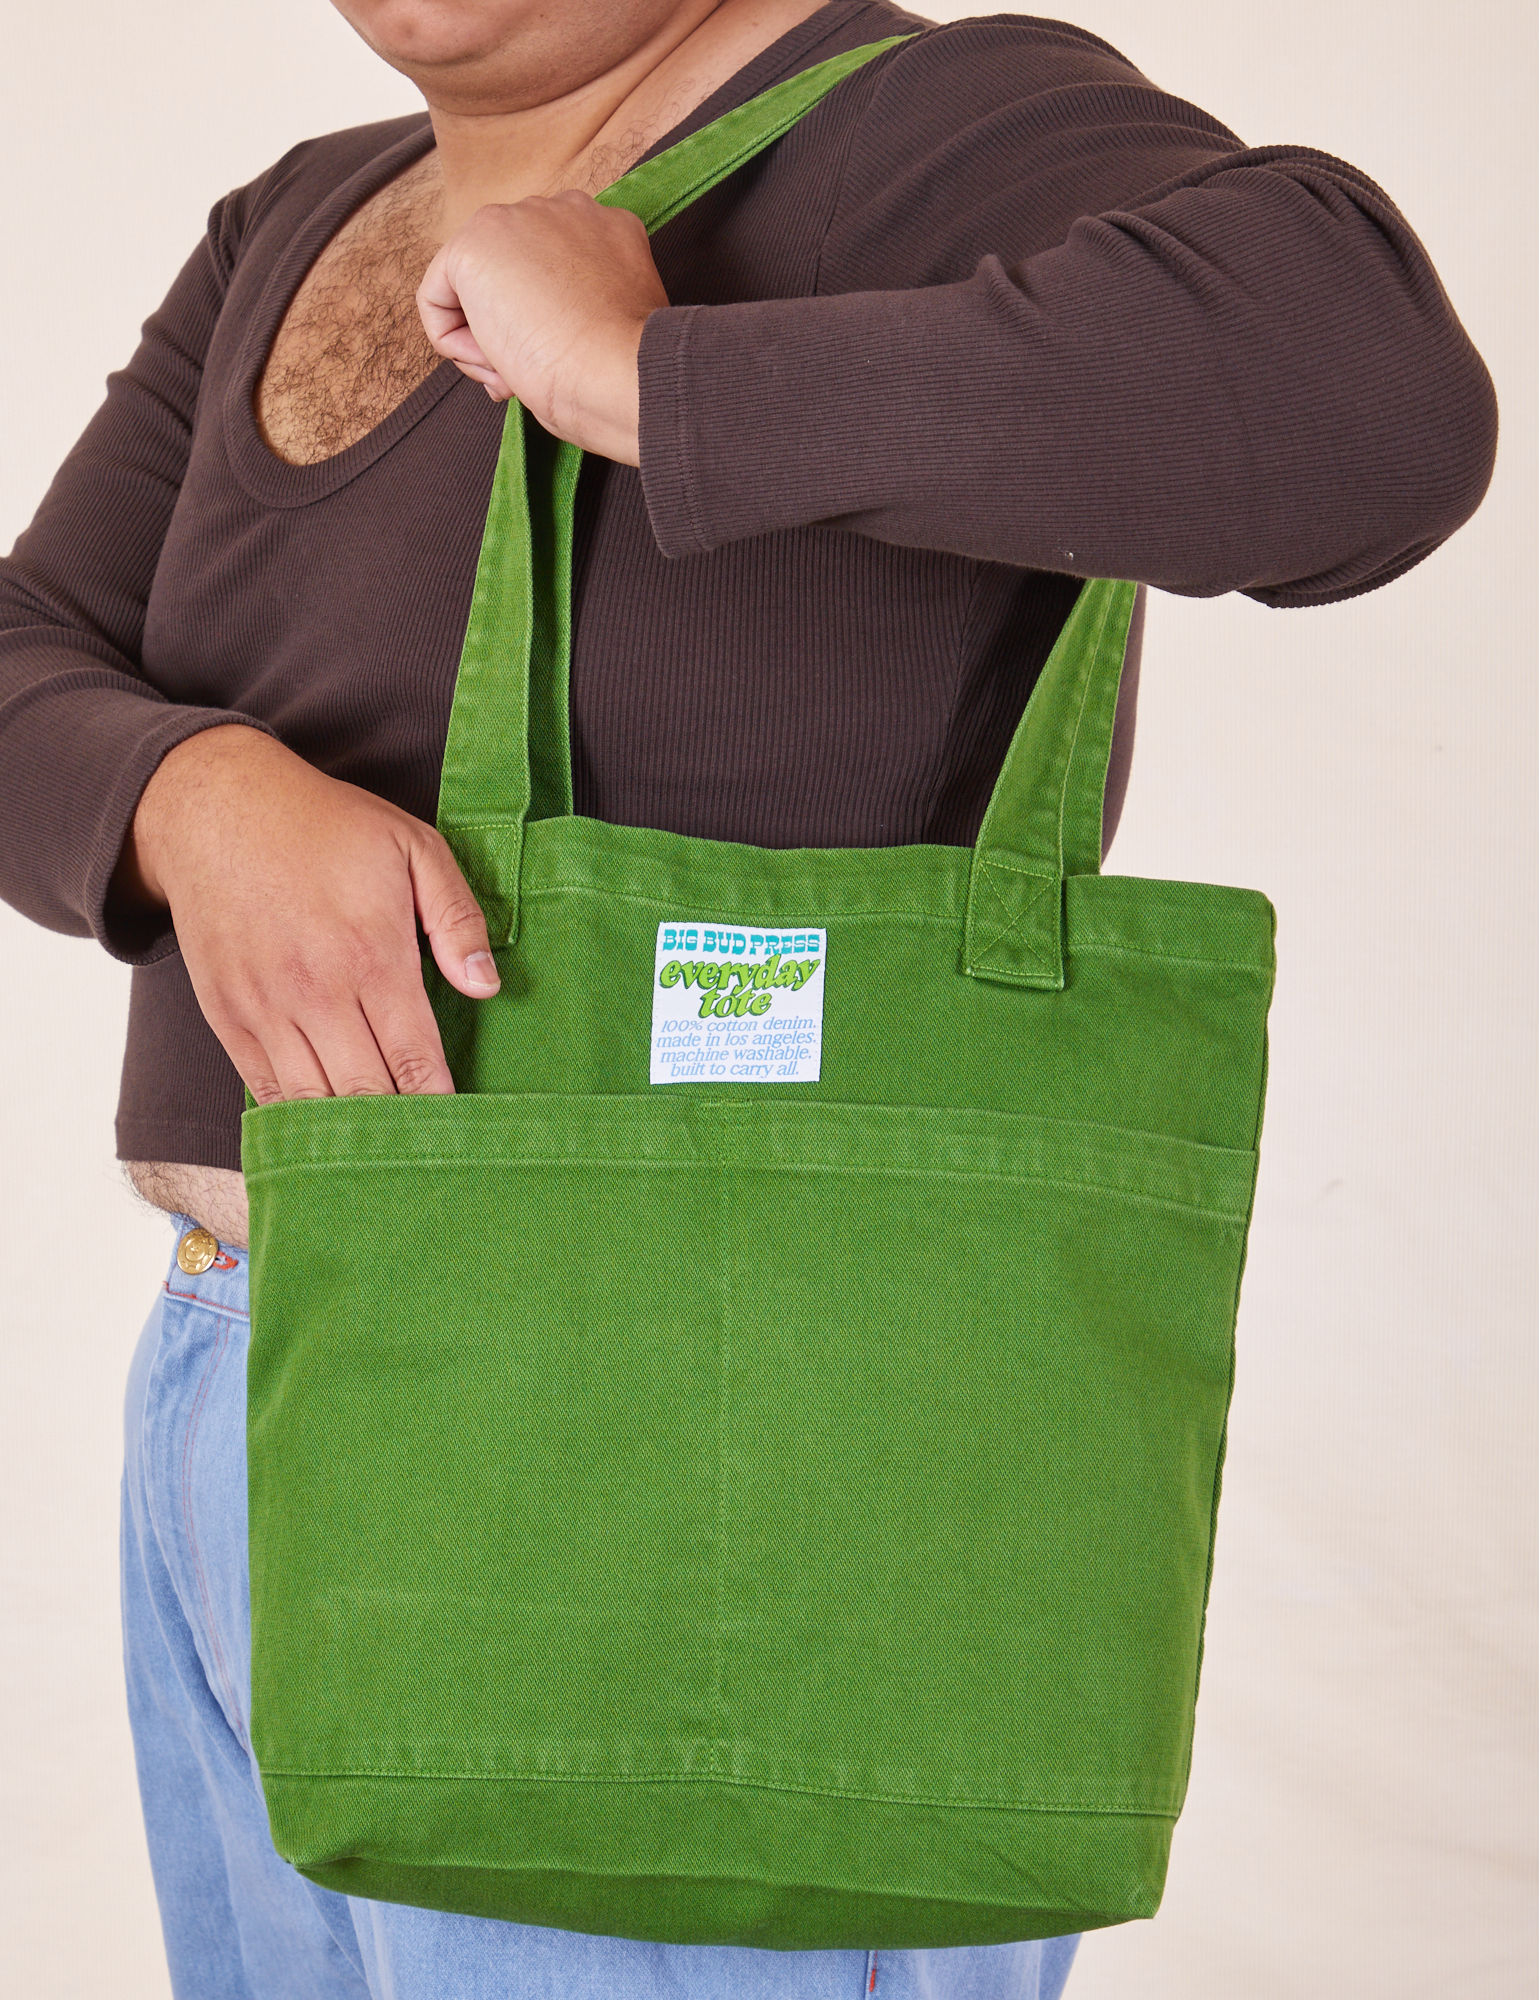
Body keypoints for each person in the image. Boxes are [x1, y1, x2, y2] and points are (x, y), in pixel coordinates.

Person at [0, 1, 1496, 1994]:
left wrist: (641, 373)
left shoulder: (910, 132)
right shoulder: (298, 223)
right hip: (238, 1386)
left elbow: (1368, 397)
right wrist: (192, 800)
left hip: (686, 1450)